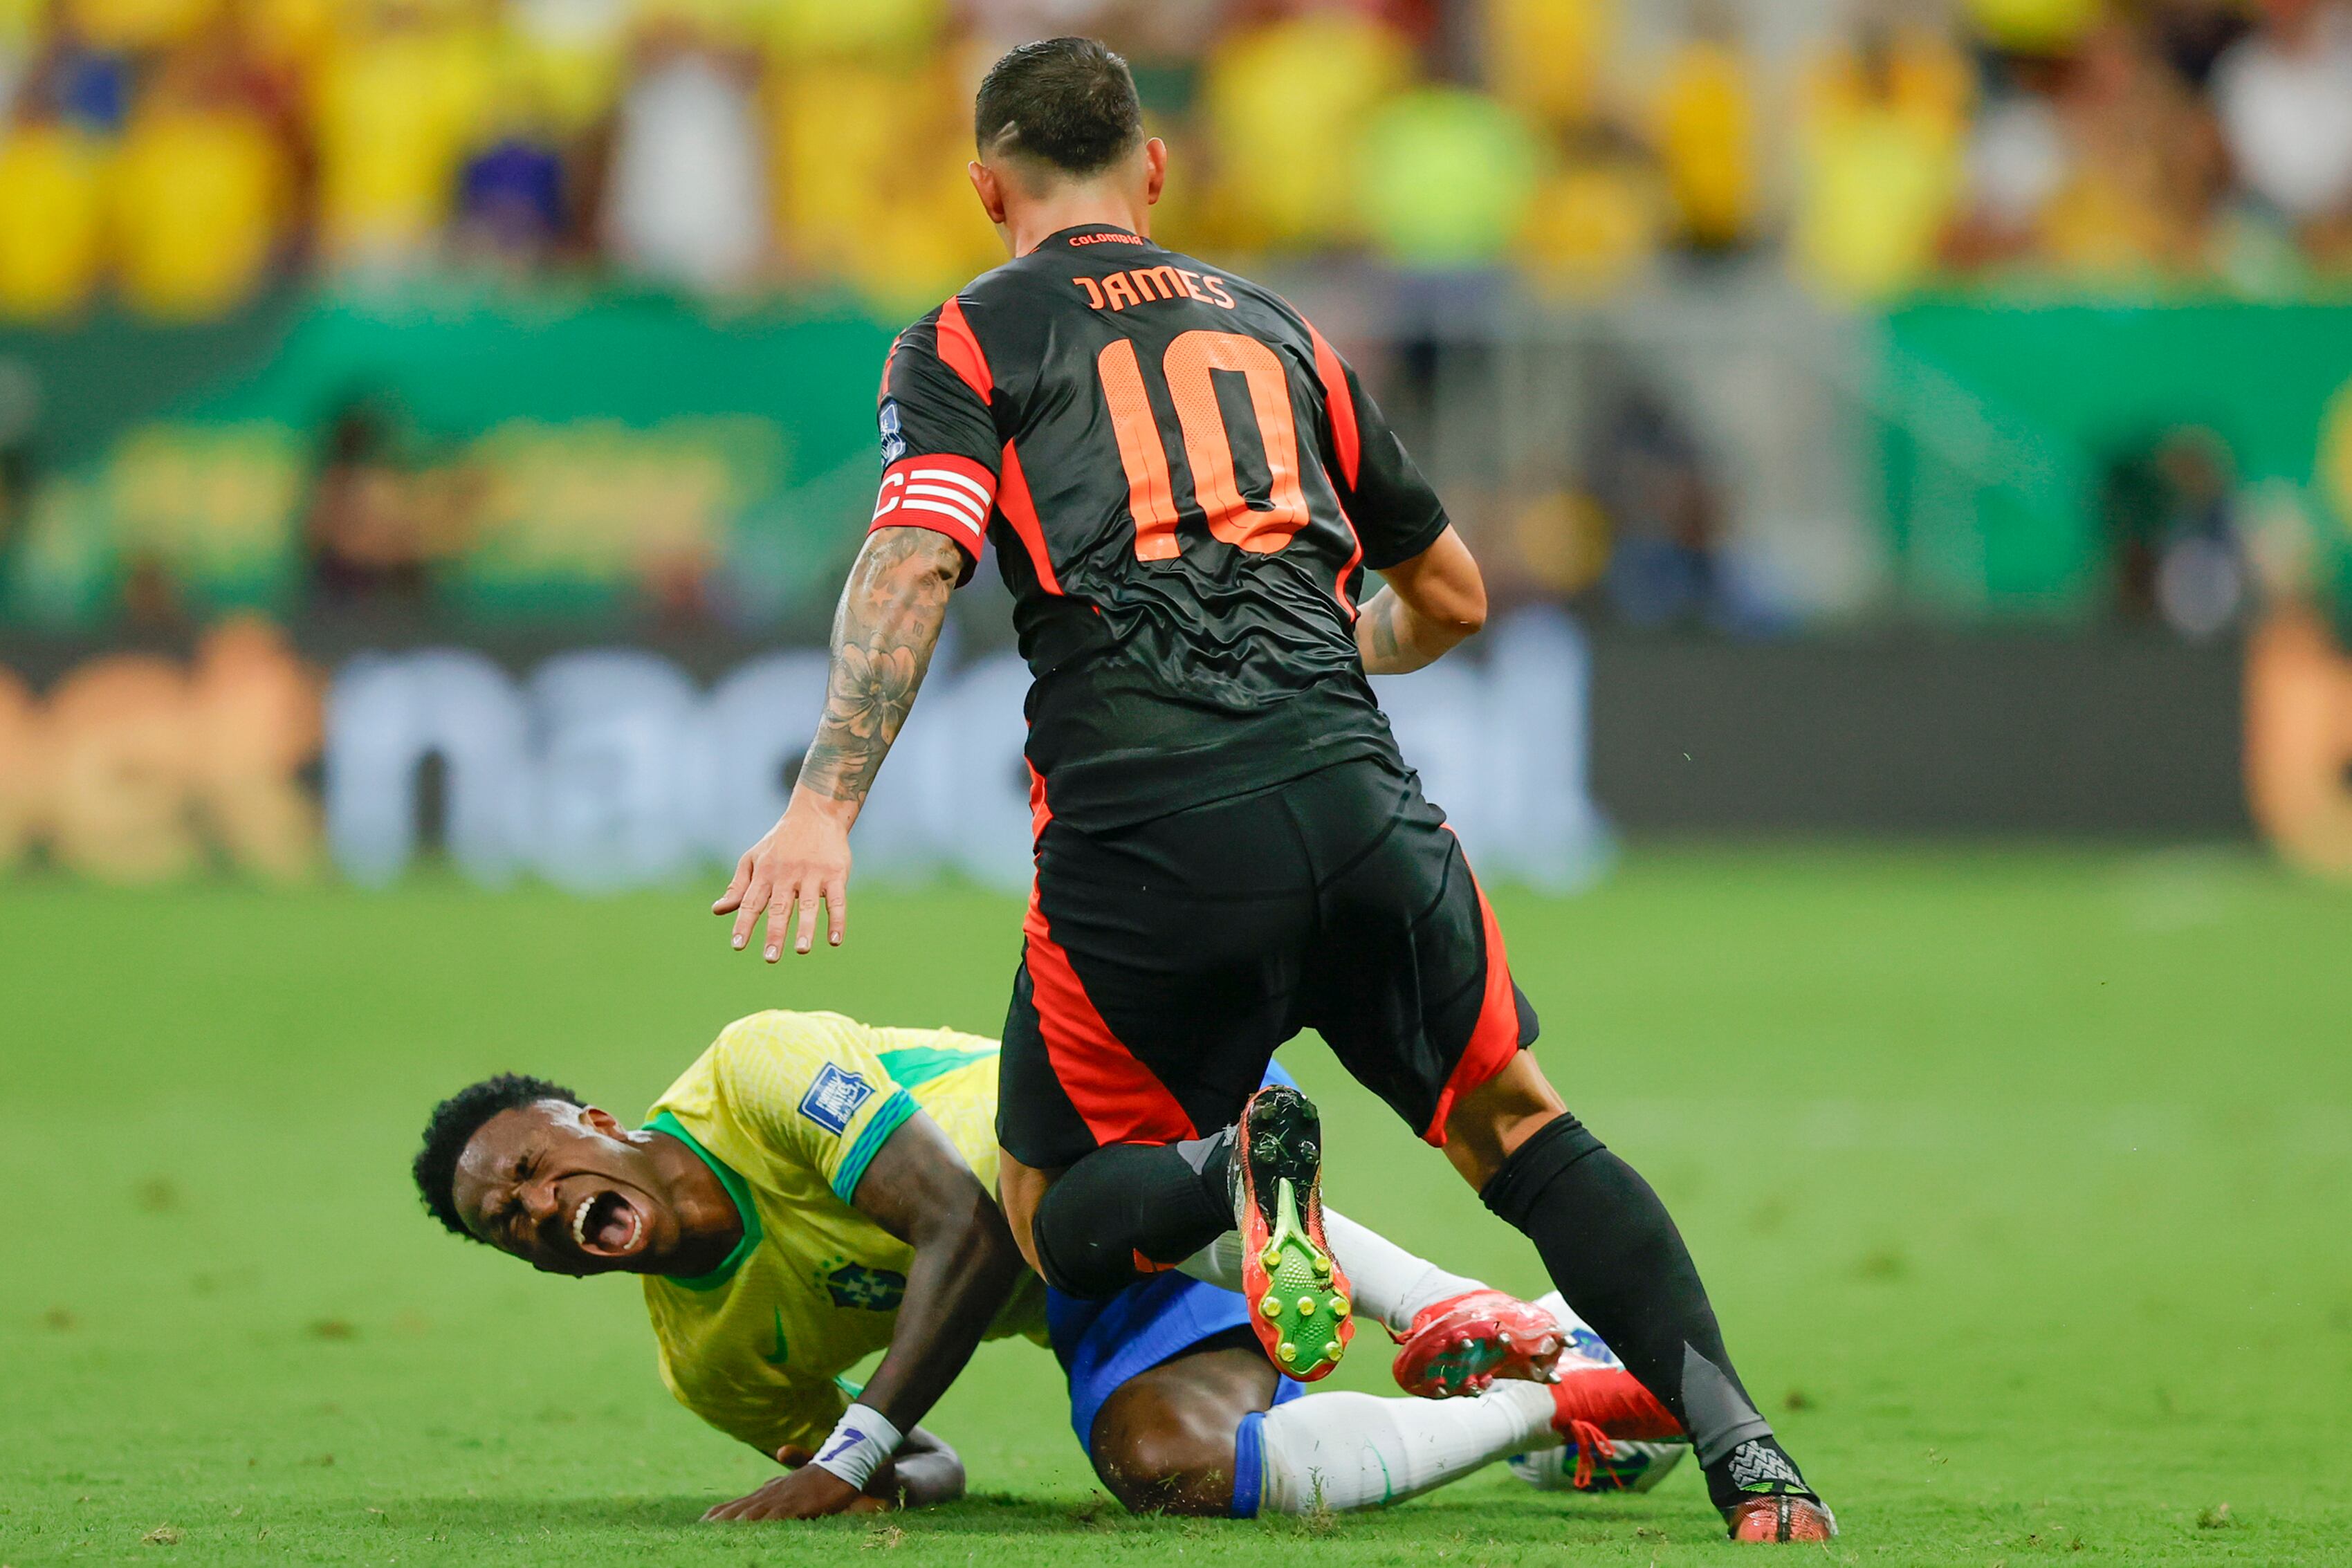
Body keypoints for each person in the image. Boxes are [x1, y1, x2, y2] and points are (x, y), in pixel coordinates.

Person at [712, 37, 1833, 1542]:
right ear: (1152, 168)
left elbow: (916, 554)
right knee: (1519, 1129)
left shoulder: (966, 339)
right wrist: (1330, 654)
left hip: (1146, 838)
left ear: (988, 189)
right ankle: (1747, 1456)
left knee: (1052, 1215)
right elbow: (1452, 596)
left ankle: (1218, 1166)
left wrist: (823, 804)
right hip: (1354, 799)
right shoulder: (1282, 329)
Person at [410, 1010, 1691, 1520]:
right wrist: (877, 1474)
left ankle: (1423, 1297)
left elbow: (957, 1229)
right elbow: (924, 1465)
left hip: (1138, 1110)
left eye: (528, 1170)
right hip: (1098, 1295)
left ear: (593, 1120)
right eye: (507, 1226)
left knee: (1052, 1207)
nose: (534, 1209)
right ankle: (1550, 1388)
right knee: (1173, 1472)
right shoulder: (710, 1362)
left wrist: (856, 1450)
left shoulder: (755, 1069)